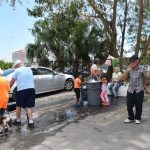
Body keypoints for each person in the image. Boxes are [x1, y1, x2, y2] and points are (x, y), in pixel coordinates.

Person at [121, 54, 147, 124]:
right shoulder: (129, 68)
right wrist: (127, 71)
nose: (132, 63)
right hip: (130, 89)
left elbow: (145, 78)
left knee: (139, 105)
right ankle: (131, 117)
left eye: (133, 61)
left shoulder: (142, 68)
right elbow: (123, 79)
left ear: (137, 61)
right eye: (131, 61)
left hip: (139, 89)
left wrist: (144, 86)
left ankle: (137, 118)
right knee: (129, 104)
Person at [10, 60, 35, 128]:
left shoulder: (17, 70)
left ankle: (18, 121)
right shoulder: (29, 69)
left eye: (15, 66)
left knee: (18, 105)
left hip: (22, 90)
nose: (15, 68)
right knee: (28, 106)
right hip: (31, 89)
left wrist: (7, 89)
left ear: (17, 65)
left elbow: (12, 82)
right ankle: (31, 122)